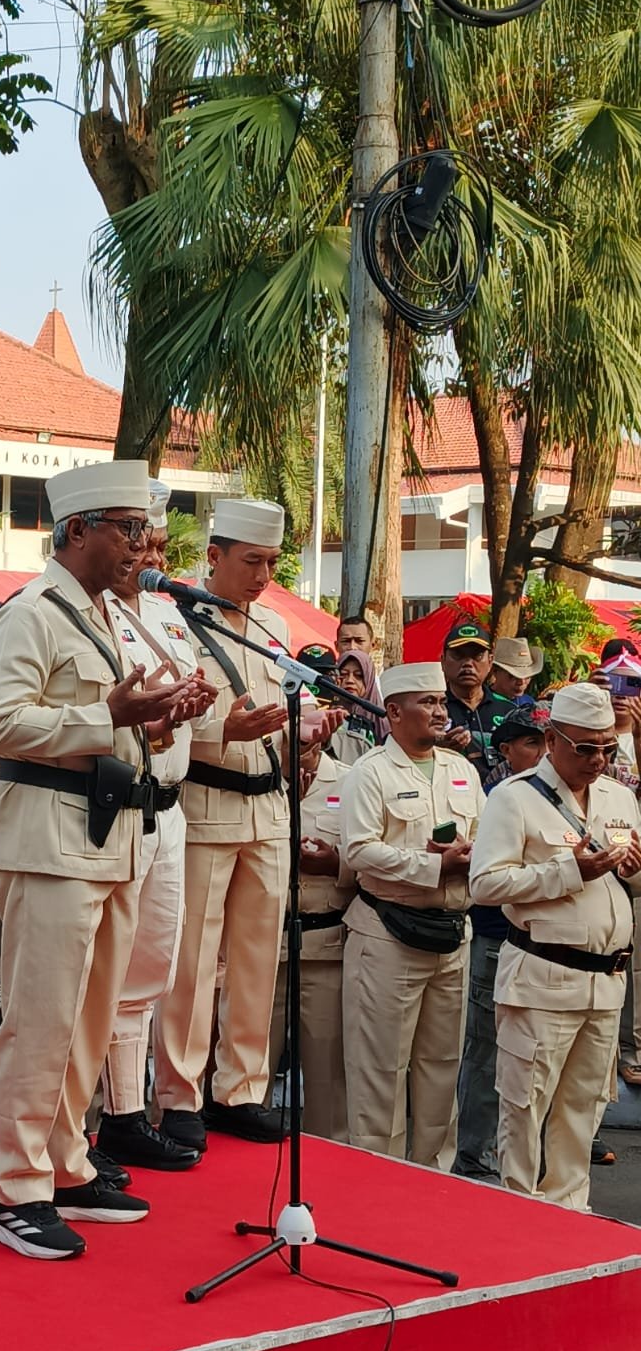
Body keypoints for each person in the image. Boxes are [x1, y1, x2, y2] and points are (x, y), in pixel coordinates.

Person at [0, 460, 202, 1259]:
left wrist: (155, 722)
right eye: (128, 528)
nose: (142, 544)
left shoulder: (105, 616)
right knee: (40, 1021)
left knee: (89, 1018)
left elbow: (110, 723)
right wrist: (106, 715)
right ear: (77, 530)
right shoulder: (32, 614)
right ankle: (15, 1188)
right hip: (48, 838)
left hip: (111, 835)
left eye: (144, 529)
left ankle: (67, 1160)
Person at [154, 498, 340, 1150]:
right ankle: (179, 1093)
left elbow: (287, 709)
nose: (263, 576)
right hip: (206, 804)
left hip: (268, 807)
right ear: (215, 556)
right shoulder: (176, 620)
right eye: (251, 561)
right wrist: (221, 730)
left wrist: (308, 733)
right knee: (194, 961)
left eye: (272, 563)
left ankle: (241, 1088)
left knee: (259, 959)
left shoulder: (275, 625)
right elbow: (165, 718)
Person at [469, 682, 641, 1210]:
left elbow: (629, 882)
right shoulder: (514, 797)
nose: (598, 760)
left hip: (605, 981)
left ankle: (571, 1213)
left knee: (583, 1109)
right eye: (585, 747)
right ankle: (519, 1213)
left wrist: (634, 873)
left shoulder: (619, 796)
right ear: (552, 740)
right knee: (525, 1108)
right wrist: (568, 871)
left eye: (607, 747)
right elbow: (485, 884)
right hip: (542, 977)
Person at [96, 480, 202, 1172]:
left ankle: (128, 1116)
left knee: (151, 967)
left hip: (169, 806)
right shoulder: (90, 612)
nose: (149, 557)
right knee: (103, 970)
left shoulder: (169, 614)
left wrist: (198, 711)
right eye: (138, 541)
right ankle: (97, 1118)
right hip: (114, 805)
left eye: (158, 545)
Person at [340, 662, 485, 1168]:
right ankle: (375, 1178)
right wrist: (432, 865)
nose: (441, 712)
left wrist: (470, 857)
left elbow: (486, 837)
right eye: (428, 702)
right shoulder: (370, 772)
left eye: (442, 702)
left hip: (451, 935)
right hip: (388, 933)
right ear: (394, 712)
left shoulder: (461, 770)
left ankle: (433, 1179)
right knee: (379, 1070)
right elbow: (358, 850)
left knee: (441, 1067)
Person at [454, 708, 548, 1179]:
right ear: (506, 750)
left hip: (552, 950)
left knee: (539, 1056)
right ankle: (475, 1155)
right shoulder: (499, 797)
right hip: (497, 938)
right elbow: (488, 882)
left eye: (548, 741)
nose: (543, 753)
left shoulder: (568, 797)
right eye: (532, 743)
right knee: (488, 1051)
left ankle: (521, 1154)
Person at [265, 744, 354, 1141]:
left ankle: (329, 1163)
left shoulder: (351, 782)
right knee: (247, 1077)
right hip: (261, 951)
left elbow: (371, 858)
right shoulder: (257, 778)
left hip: (326, 946)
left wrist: (336, 864)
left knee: (329, 1082)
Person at [438, 623, 516, 784]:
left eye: (477, 656)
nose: (468, 663)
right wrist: (438, 750)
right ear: (443, 661)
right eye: (458, 655)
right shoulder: (431, 710)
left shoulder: (510, 711)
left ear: (490, 662)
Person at [329, 648, 385, 766]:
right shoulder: (326, 714)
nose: (350, 680)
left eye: (358, 676)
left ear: (369, 680)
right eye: (343, 674)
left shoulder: (384, 721)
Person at [487, 637, 543, 702]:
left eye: (527, 677)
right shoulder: (483, 702)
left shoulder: (528, 702)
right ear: (495, 671)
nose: (521, 682)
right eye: (513, 676)